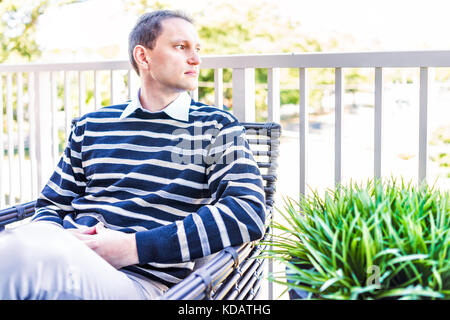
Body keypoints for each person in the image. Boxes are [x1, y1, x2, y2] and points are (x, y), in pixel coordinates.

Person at [0, 10, 266, 300]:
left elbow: (247, 212)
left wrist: (132, 246)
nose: (196, 59)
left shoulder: (215, 126)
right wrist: (59, 238)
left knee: (18, 254)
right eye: (181, 47)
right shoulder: (93, 125)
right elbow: (52, 204)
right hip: (60, 259)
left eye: (197, 49)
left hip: (138, 282)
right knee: (22, 251)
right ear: (144, 56)